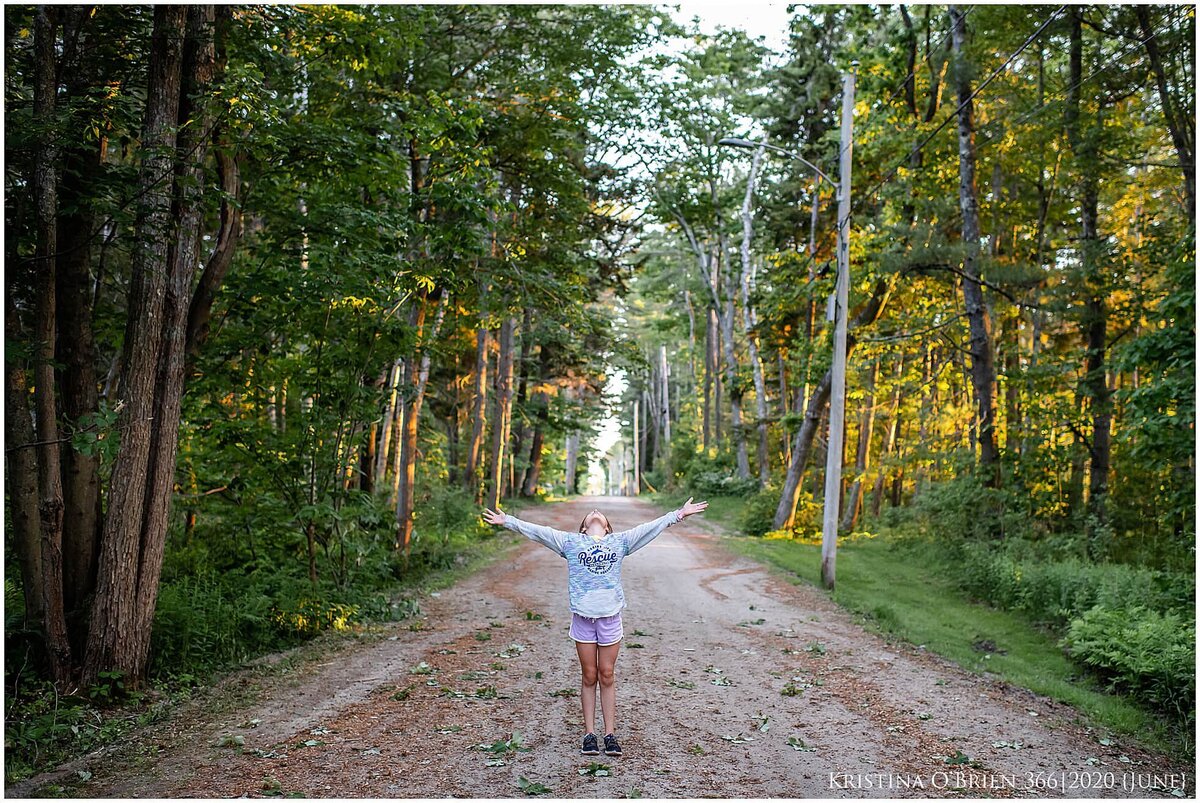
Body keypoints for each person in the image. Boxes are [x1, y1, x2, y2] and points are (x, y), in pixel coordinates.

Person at [481, 497, 708, 757]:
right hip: (583, 620)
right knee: (589, 676)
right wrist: (507, 521)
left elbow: (650, 527)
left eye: (600, 514)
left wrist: (678, 514)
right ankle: (589, 734)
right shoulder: (570, 543)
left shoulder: (620, 542)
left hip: (610, 618)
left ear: (608, 528)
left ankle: (610, 735)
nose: (596, 512)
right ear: (583, 529)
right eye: (590, 514)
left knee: (607, 675)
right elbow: (538, 532)